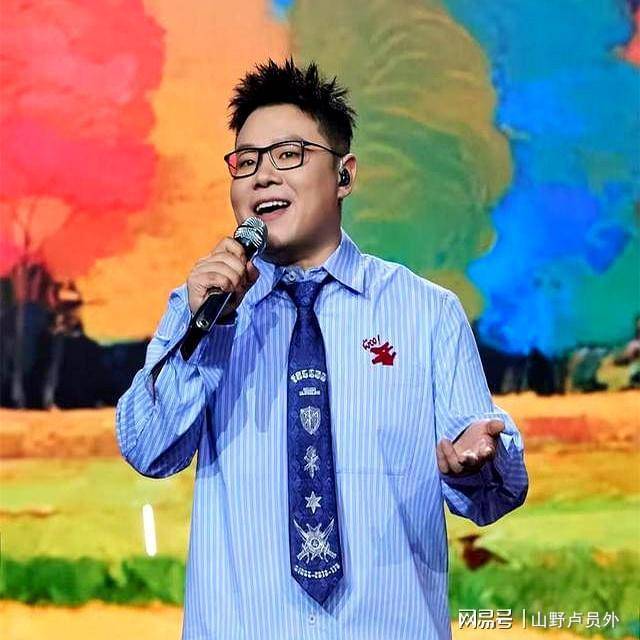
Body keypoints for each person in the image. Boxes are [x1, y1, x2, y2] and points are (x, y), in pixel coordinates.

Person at [116, 58, 528, 640]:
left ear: (344, 175)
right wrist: (206, 328)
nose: (262, 177)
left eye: (288, 155)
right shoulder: (202, 307)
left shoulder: (427, 313)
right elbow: (147, 450)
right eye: (246, 162)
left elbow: (492, 495)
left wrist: (476, 462)